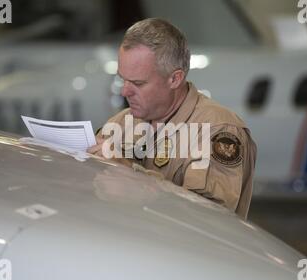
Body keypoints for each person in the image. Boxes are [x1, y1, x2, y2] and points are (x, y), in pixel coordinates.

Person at [88, 18, 257, 219]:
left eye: (138, 83)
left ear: (175, 79)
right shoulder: (120, 124)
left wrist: (134, 179)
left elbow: (209, 217)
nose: (125, 91)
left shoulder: (218, 130)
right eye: (122, 79)